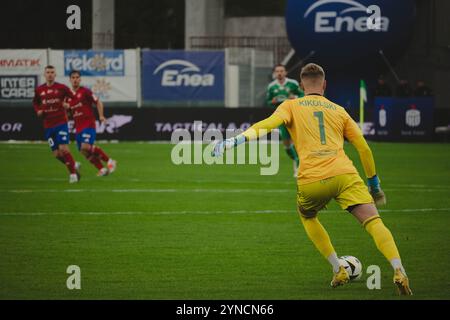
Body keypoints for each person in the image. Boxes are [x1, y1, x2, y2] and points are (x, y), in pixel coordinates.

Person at [213, 63, 412, 295]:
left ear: (300, 85)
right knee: (374, 222)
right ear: (324, 85)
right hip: (345, 174)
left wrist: (233, 141)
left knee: (307, 216)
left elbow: (266, 125)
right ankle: (399, 270)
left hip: (312, 179)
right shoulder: (339, 110)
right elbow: (364, 149)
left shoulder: (291, 105)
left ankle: (338, 268)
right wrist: (374, 184)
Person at [33, 65, 80, 183]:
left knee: (64, 149)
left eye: (52, 72)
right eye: (48, 72)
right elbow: (35, 102)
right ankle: (74, 165)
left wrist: (68, 105)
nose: (50, 74)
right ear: (44, 74)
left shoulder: (62, 88)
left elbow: (74, 98)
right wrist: (38, 110)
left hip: (61, 123)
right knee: (57, 154)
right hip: (48, 125)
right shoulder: (39, 90)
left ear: (55, 74)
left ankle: (73, 175)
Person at [65, 70, 116, 176]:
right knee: (83, 151)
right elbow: (70, 114)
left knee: (85, 147)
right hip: (78, 127)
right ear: (70, 80)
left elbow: (98, 102)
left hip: (88, 124)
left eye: (77, 77)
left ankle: (110, 161)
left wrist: (101, 116)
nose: (75, 80)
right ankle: (102, 169)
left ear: (80, 79)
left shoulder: (85, 91)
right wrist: (67, 110)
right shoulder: (68, 97)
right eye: (73, 78)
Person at [266, 64, 304, 177]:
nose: (279, 73)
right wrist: (273, 101)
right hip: (281, 117)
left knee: (296, 141)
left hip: (294, 116)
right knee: (286, 144)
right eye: (277, 71)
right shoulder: (271, 87)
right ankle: (296, 159)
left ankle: (298, 164)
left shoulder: (293, 83)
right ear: (275, 73)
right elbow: (268, 101)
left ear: (285, 72)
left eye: (281, 71)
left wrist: (295, 98)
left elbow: (302, 95)